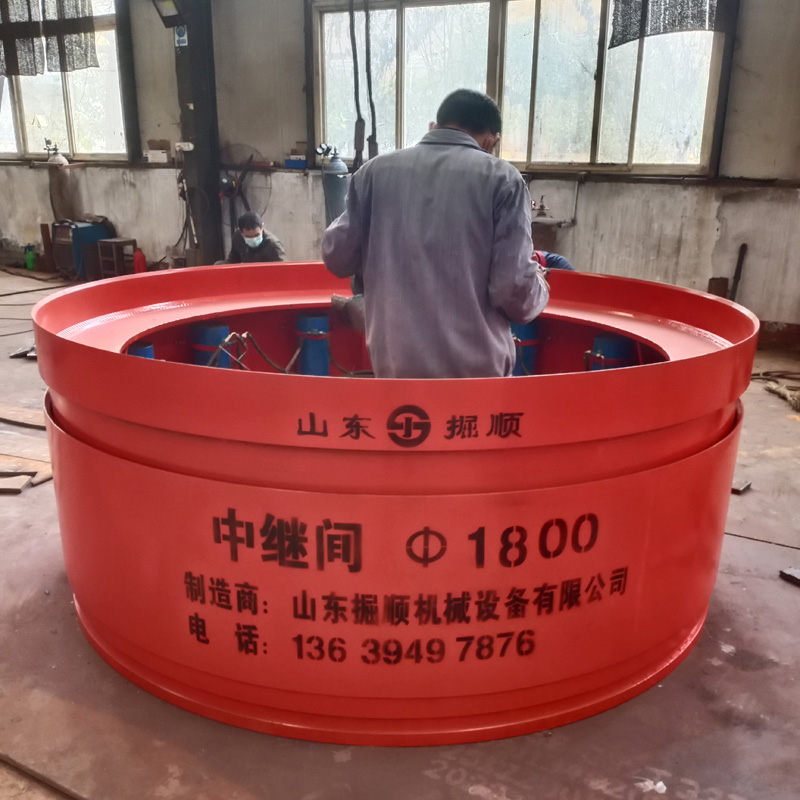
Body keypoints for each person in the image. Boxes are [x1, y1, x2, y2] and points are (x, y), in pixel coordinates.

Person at [321, 89, 549, 379]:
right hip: (475, 376)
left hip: (395, 365)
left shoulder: (373, 173)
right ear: (491, 140)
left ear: (436, 124)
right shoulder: (504, 180)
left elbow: (337, 256)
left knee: (404, 411)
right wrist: (541, 285)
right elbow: (513, 290)